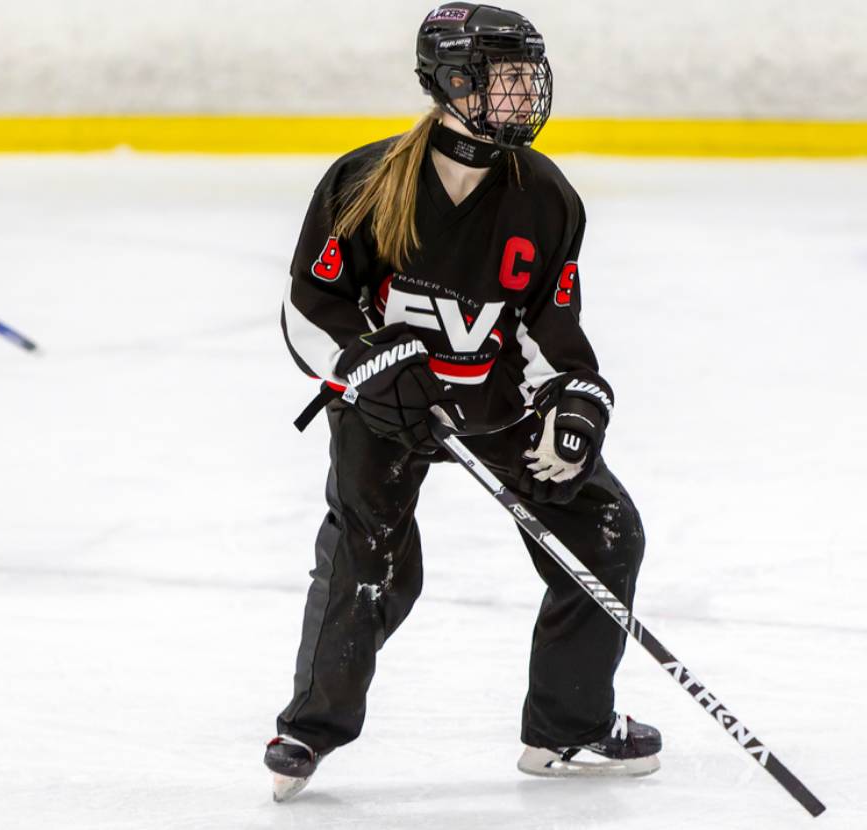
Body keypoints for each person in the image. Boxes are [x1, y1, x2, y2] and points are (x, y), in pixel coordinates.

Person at [265, 2, 661, 802]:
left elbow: (552, 325)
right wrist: (364, 364)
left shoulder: (546, 197)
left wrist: (576, 403)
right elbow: (313, 306)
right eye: (504, 78)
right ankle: (308, 730)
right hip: (385, 412)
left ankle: (567, 727)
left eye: (528, 76)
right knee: (367, 564)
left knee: (604, 534)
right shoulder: (365, 180)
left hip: (499, 410)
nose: (525, 93)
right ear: (449, 81)